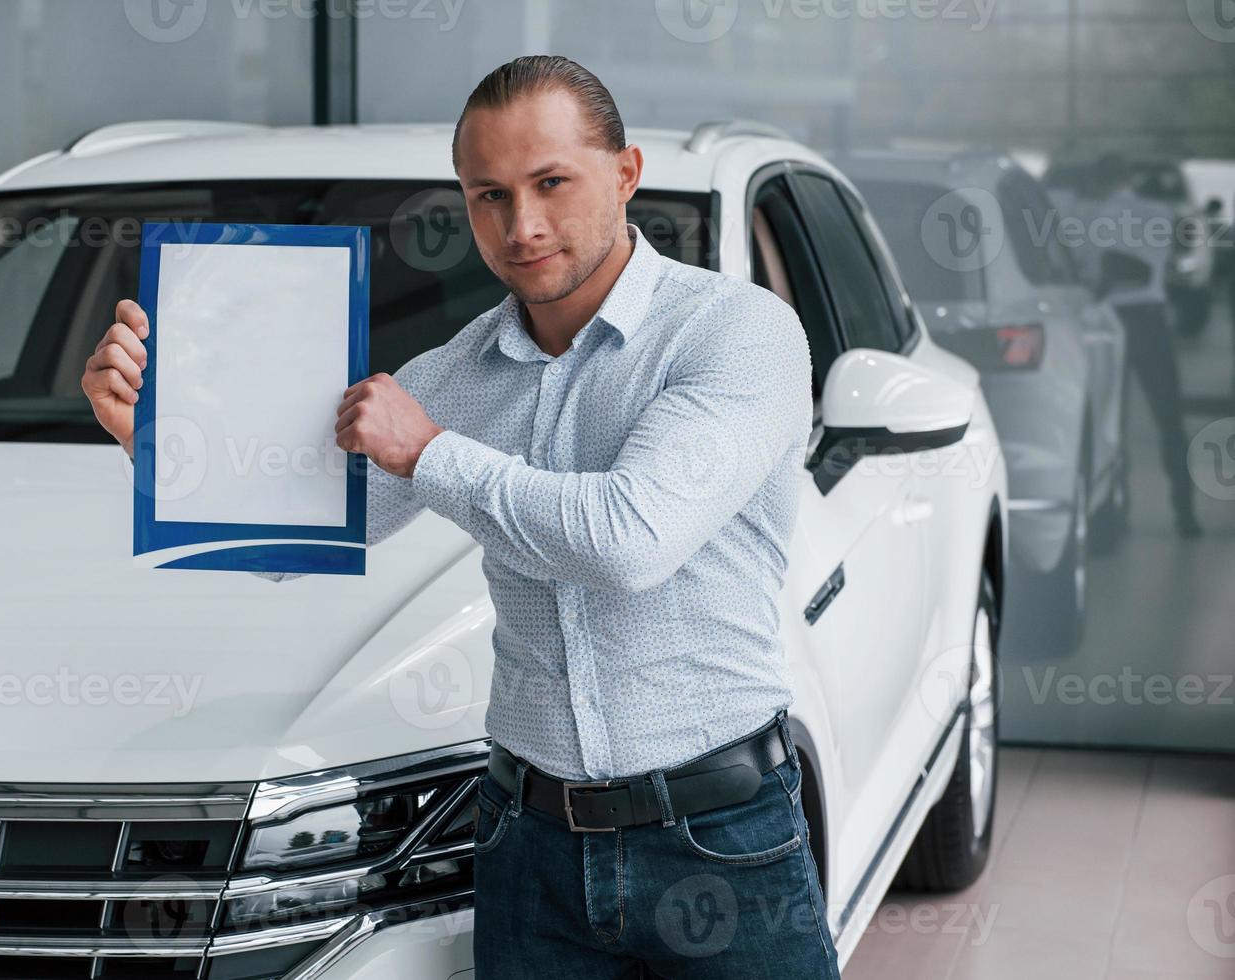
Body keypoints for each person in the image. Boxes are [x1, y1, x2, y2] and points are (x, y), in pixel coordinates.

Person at [81, 55, 838, 979]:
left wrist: (428, 451)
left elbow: (631, 539)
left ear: (626, 173)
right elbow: (302, 536)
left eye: (551, 183)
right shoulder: (458, 373)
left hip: (718, 838)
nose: (521, 226)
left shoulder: (737, 333)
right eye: (488, 195)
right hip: (529, 851)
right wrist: (155, 443)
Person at [1063, 153, 1203, 537]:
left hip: (1107, 325)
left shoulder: (1081, 215)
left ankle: (1112, 516)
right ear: (1128, 178)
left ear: (1096, 179)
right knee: (1170, 419)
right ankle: (1185, 513)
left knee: (1112, 424)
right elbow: (1180, 251)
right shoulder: (1160, 212)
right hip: (1150, 321)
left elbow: (1074, 269)